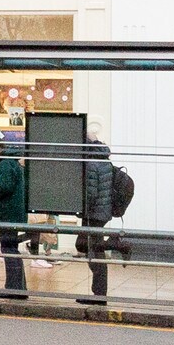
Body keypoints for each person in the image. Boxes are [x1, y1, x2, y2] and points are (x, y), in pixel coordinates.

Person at [0, 137, 27, 297]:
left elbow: (4, 187)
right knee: (11, 249)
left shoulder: (5, 163)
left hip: (8, 213)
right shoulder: (12, 161)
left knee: (9, 249)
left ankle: (14, 289)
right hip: (14, 212)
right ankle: (18, 288)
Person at [78, 125, 116, 305]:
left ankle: (99, 294)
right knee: (94, 250)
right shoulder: (105, 160)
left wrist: (82, 209)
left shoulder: (91, 164)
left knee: (93, 251)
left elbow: (91, 194)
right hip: (102, 212)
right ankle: (99, 293)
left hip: (93, 214)